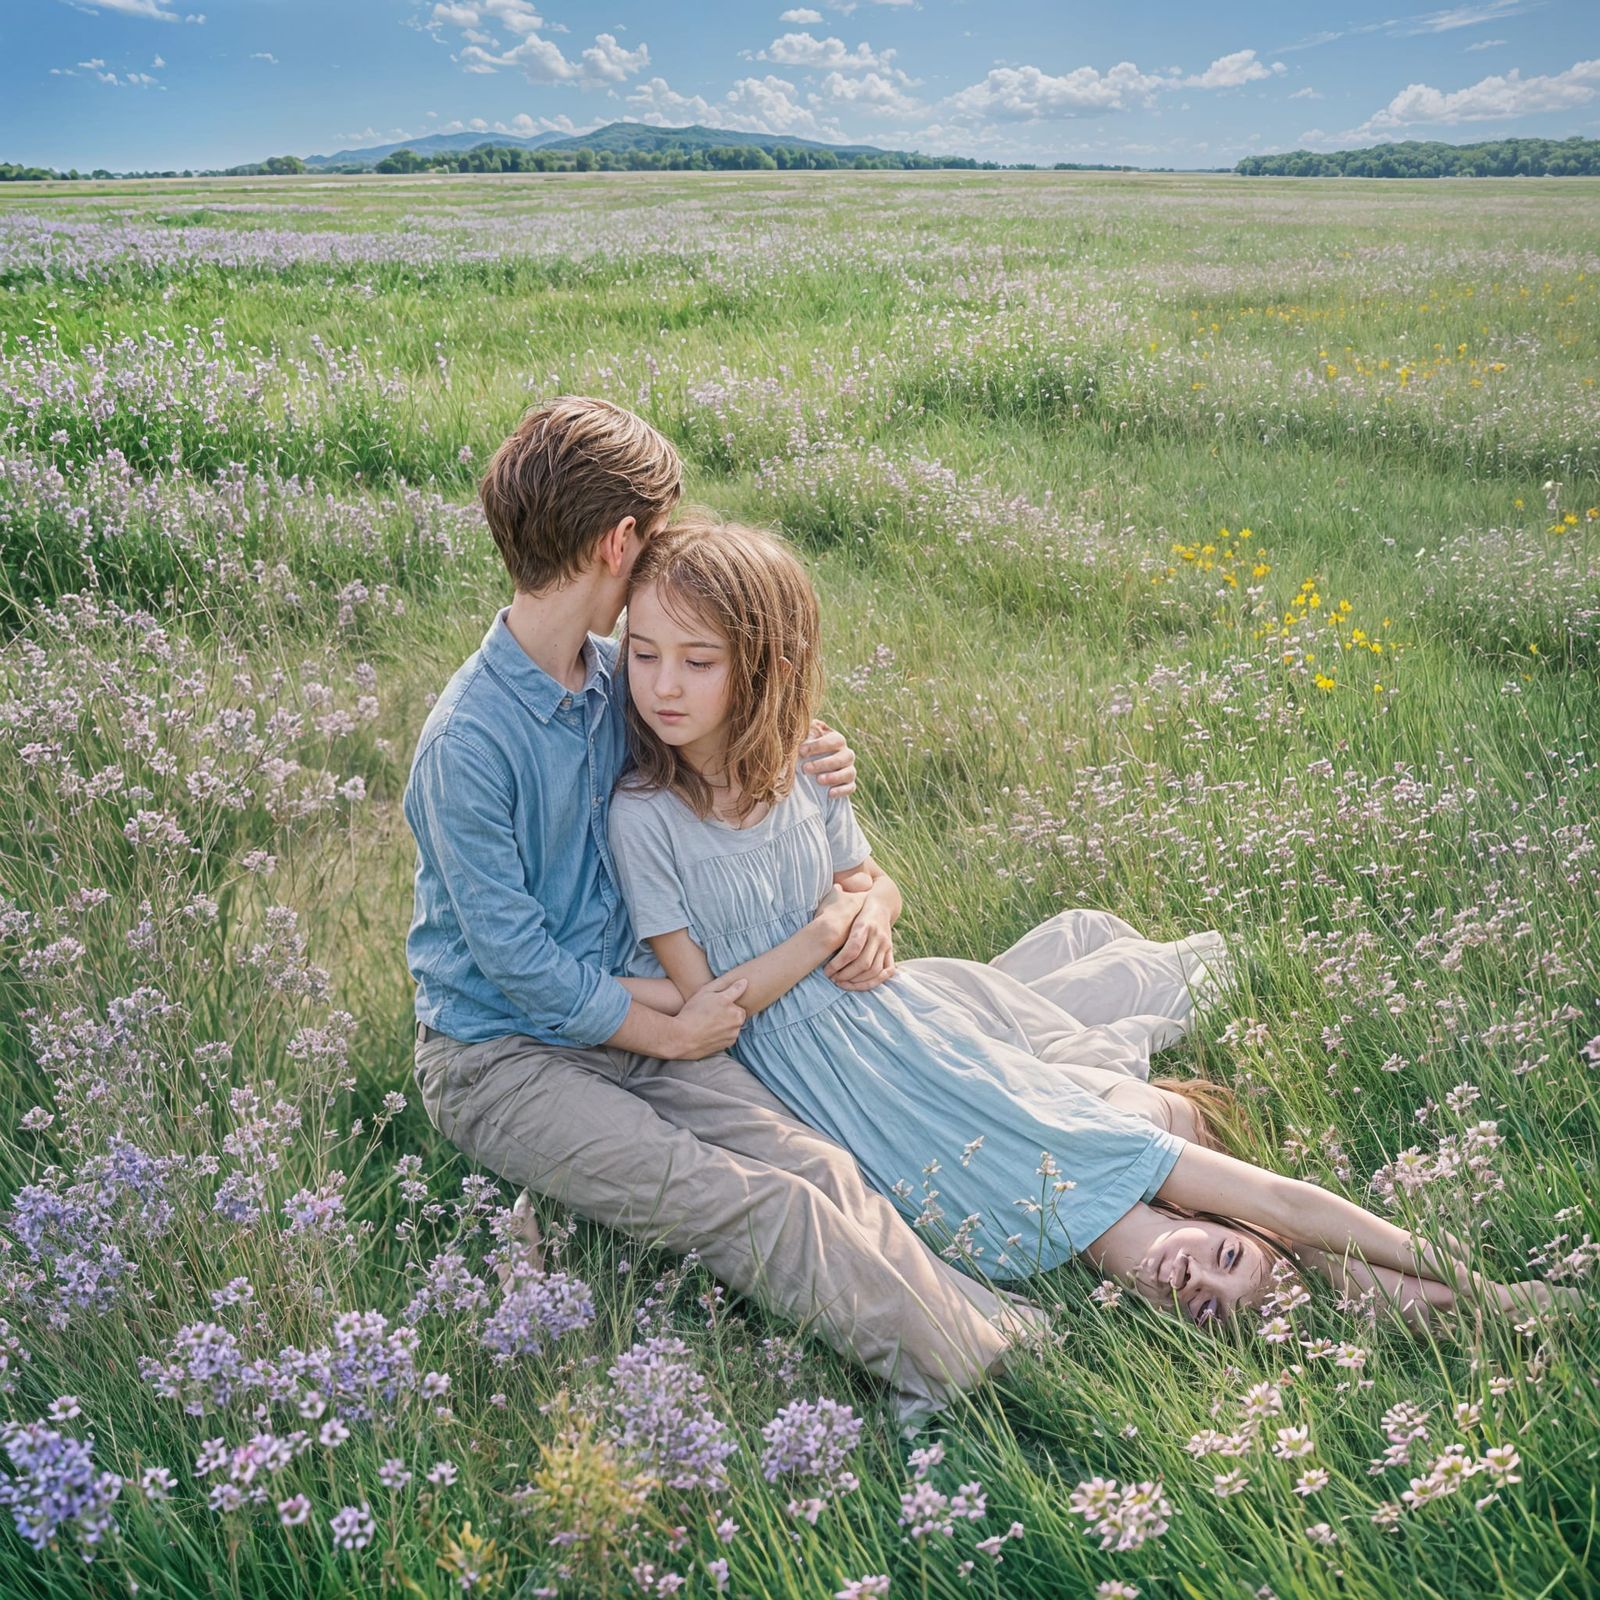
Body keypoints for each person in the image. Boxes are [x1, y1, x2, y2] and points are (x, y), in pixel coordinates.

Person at [606, 515, 1579, 1331]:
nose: (659, 685)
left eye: (694, 660)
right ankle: (1359, 1277)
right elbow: (710, 1003)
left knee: (1214, 1186)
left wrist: (858, 912)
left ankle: (1411, 1288)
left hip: (928, 1059)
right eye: (643, 656)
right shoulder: (645, 815)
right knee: (1171, 1148)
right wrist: (827, 931)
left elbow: (859, 886)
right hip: (855, 1071)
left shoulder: (802, 771)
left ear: (764, 671)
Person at [403, 396, 1046, 1429]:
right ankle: (971, 1378)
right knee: (744, 1200)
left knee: (816, 1163)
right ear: (622, 542)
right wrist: (676, 1029)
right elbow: (513, 960)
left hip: (643, 1016)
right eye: (656, 536)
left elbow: (731, 735)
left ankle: (992, 1321)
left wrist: (816, 755)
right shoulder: (469, 742)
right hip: (505, 1056)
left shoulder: (618, 677)